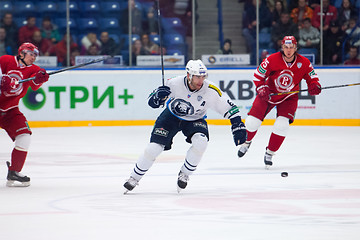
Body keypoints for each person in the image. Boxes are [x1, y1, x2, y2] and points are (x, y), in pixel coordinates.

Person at [123, 59, 247, 193]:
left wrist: (237, 124)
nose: (201, 80)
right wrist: (157, 97)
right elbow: (151, 102)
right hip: (170, 117)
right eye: (197, 77)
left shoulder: (211, 90)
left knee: (201, 142)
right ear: (189, 75)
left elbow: (229, 108)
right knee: (154, 148)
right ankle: (134, 178)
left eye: (203, 76)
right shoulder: (173, 83)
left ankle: (185, 173)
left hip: (195, 119)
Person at [237, 36, 321, 169]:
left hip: (289, 97)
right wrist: (261, 87)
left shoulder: (304, 62)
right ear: (282, 47)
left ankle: (269, 152)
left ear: (296, 48)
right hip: (268, 95)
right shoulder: (272, 59)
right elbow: (258, 76)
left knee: (282, 125)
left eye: (291, 47)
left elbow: (313, 77)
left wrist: (314, 85)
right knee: (252, 123)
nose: (288, 50)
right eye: (286, 47)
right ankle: (247, 142)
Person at [0, 42, 49, 187]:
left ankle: (14, 171)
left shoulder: (34, 69)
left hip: (10, 110)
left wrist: (40, 80)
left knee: (24, 137)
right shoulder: (5, 60)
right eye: (31, 54)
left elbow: (34, 85)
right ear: (21, 53)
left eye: (35, 55)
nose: (33, 58)